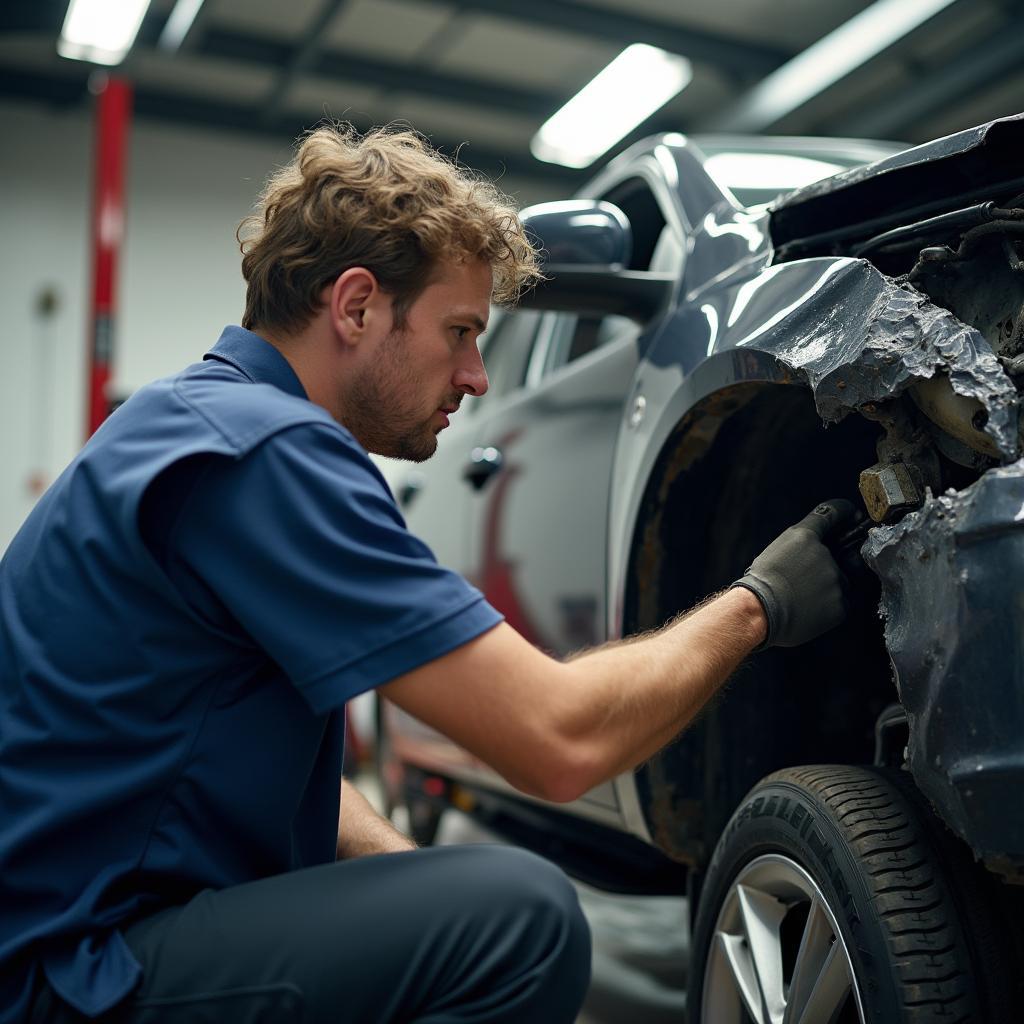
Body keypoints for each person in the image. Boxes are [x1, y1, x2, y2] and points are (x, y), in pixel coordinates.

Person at [0, 124, 853, 1024]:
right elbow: (561, 742)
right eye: (459, 332)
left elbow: (266, 781)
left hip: (58, 941)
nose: (477, 377)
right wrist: (760, 601)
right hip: (71, 976)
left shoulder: (199, 417)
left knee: (464, 902)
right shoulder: (267, 453)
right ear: (358, 305)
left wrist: (414, 885)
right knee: (520, 921)